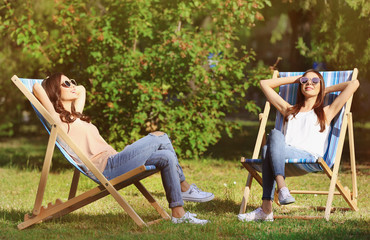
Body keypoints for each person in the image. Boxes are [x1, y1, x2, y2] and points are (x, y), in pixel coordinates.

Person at [33, 72, 214, 225]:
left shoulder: (75, 115)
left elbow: (82, 89)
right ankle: (185, 188)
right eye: (66, 84)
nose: (73, 85)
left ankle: (178, 214)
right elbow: (36, 89)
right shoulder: (57, 121)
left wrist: (66, 84)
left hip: (116, 160)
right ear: (55, 91)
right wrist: (48, 81)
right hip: (107, 168)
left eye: (71, 81)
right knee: (160, 136)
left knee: (166, 155)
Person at [238, 69, 359, 222]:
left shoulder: (326, 112)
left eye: (315, 81)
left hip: (309, 158)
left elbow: (354, 83)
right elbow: (264, 84)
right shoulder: (289, 110)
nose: (309, 83)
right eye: (305, 81)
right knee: (273, 138)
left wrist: (325, 89)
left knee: (269, 147)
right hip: (281, 158)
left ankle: (268, 206)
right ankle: (281, 191)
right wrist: (298, 78)